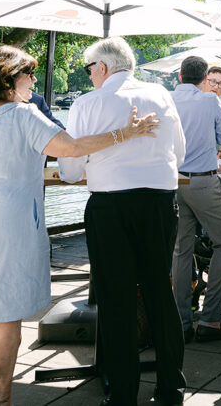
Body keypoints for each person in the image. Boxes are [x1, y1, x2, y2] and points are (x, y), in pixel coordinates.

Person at [0, 44, 160, 406]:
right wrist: (126, 133)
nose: (33, 81)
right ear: (10, 78)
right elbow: (73, 148)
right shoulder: (24, 115)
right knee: (7, 316)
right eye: (29, 74)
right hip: (10, 224)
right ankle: (0, 396)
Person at [58, 37, 188, 406]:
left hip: (111, 206)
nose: (89, 77)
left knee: (116, 300)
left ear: (102, 67)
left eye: (88, 70)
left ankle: (123, 393)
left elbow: (69, 169)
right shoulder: (162, 95)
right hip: (159, 202)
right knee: (160, 294)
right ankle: (171, 389)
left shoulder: (87, 103)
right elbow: (178, 151)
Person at [171, 55, 221, 343]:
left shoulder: (166, 99)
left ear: (179, 76)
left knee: (181, 249)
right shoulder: (210, 101)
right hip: (202, 181)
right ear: (204, 79)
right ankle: (211, 319)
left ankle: (181, 320)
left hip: (174, 181)